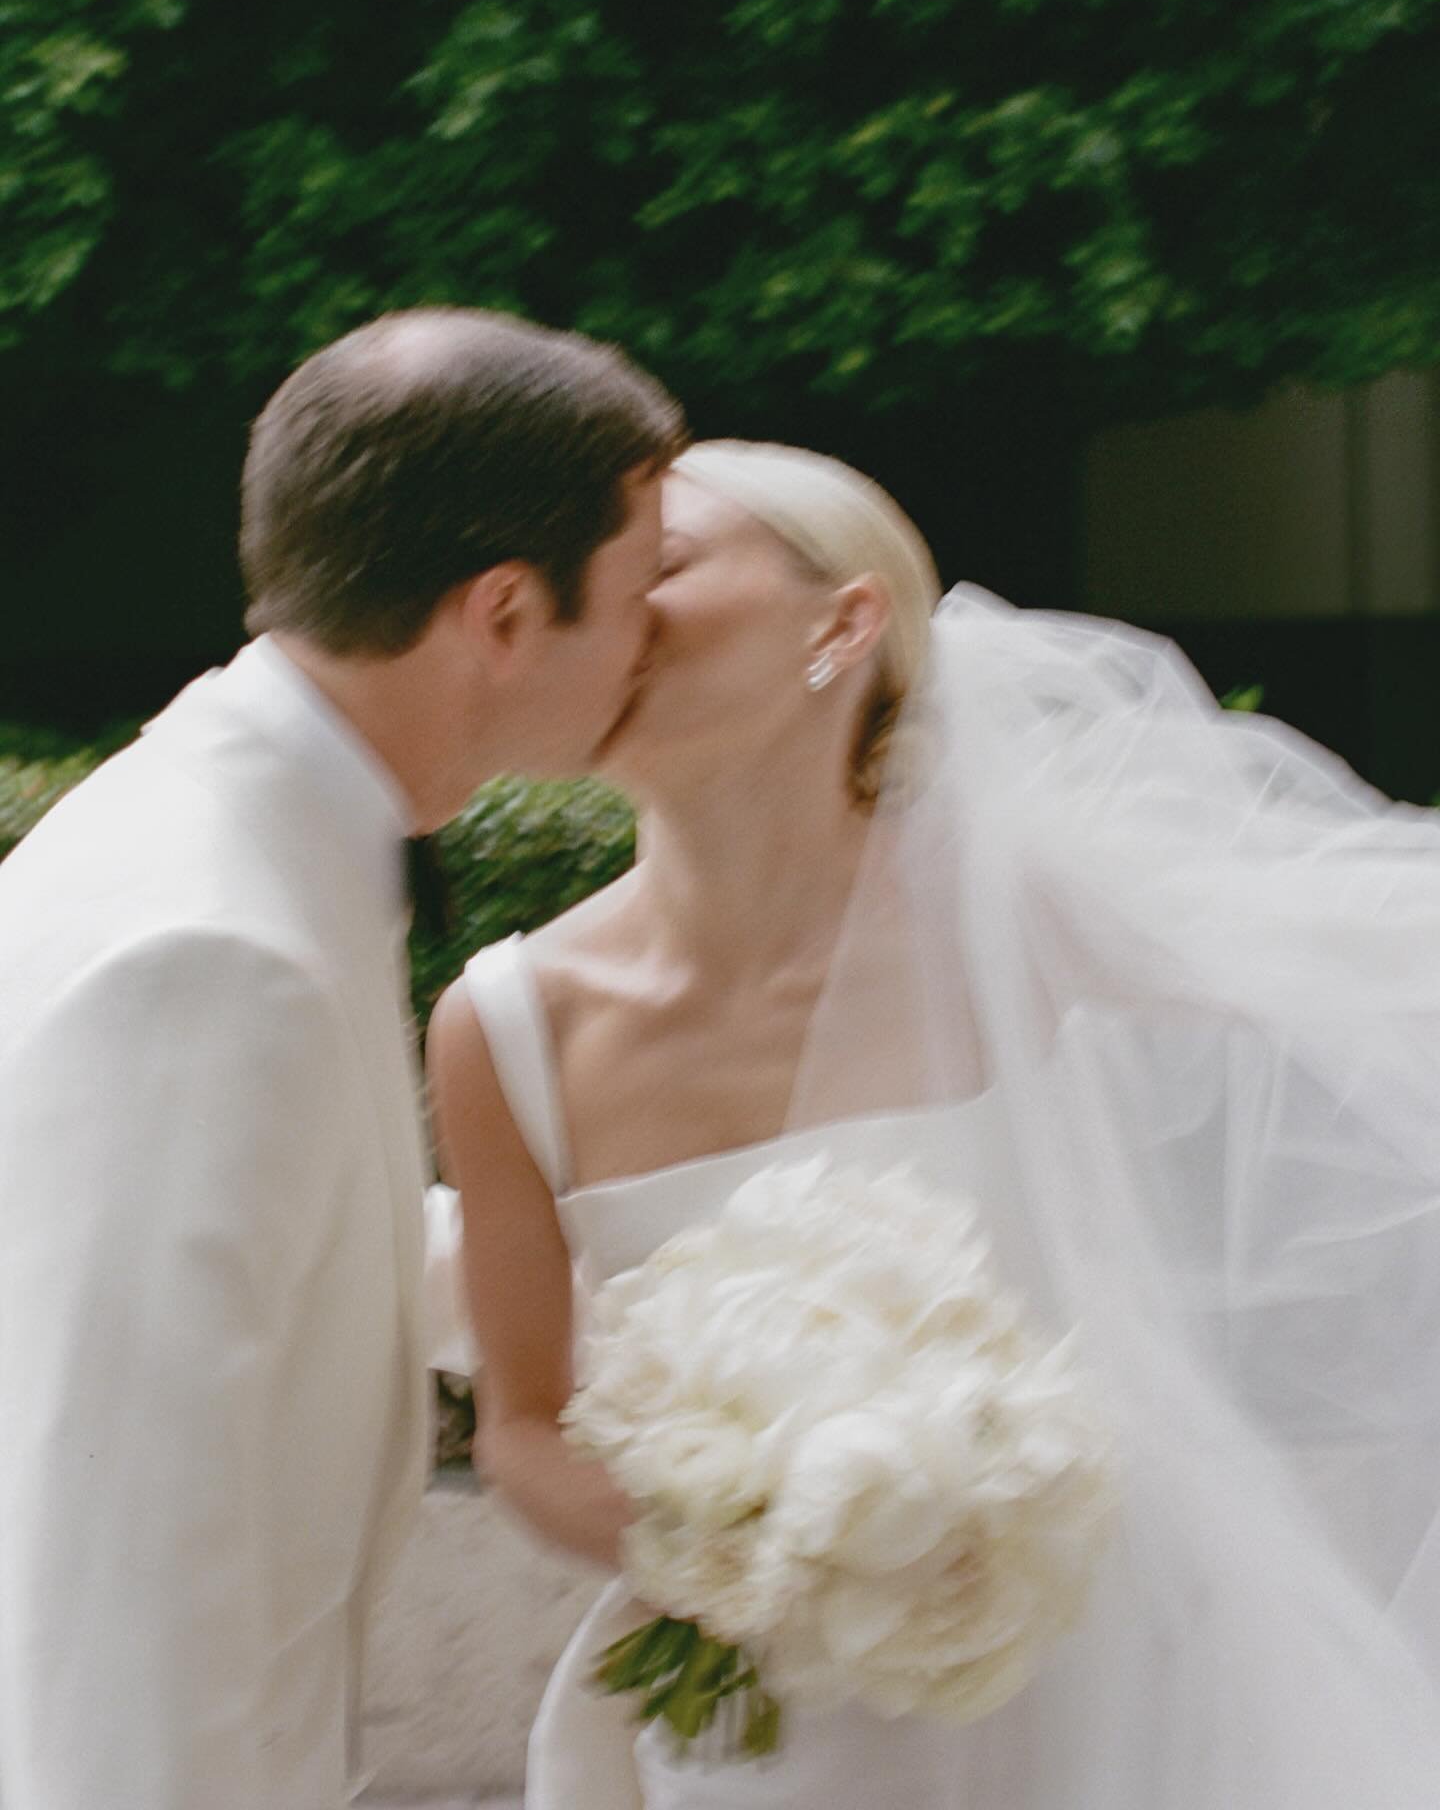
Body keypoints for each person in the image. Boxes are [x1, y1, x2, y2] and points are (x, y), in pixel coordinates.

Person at [429, 439, 1440, 1808]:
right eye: (594, 584)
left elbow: (1389, 967)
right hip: (763, 1709)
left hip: (1093, 1685)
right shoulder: (506, 1027)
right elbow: (525, 1430)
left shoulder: (1019, 916)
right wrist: (767, 1547)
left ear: (840, 625)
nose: (610, 617)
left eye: (660, 570)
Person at [0, 306, 684, 1810]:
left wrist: (697, 1319)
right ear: (504, 614)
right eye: (640, 592)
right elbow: (117, 1584)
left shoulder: (267, 836)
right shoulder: (202, 950)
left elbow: (297, 1250)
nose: (659, 636)